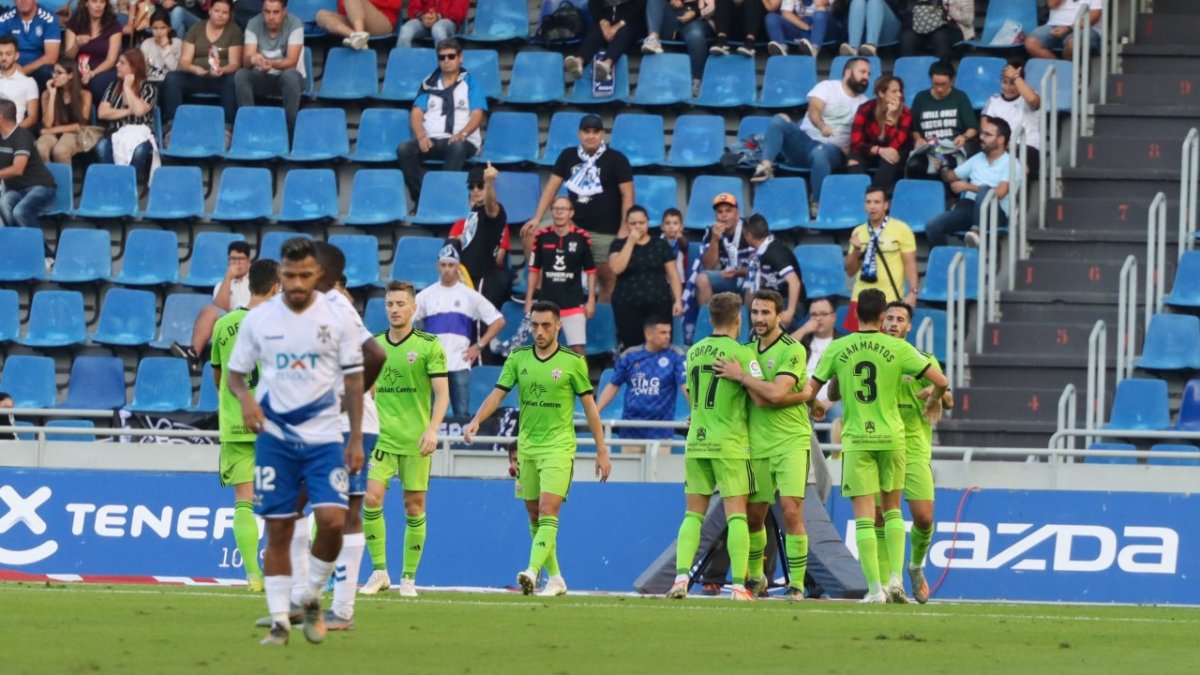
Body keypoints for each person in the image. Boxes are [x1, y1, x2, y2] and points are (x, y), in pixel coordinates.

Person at [226, 236, 366, 645]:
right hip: (277, 439)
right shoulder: (260, 319)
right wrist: (247, 399)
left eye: (306, 275)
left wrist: (355, 437)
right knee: (280, 527)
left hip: (324, 437)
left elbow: (356, 378)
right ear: (280, 275)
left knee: (333, 522)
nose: (298, 283)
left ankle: (310, 596)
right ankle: (279, 623)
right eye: (290, 276)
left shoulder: (338, 316)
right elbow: (235, 374)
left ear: (317, 274)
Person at [806, 288, 948, 603]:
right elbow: (942, 381)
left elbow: (813, 390)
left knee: (866, 517)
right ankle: (894, 579)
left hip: (858, 439)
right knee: (893, 511)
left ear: (855, 315)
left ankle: (875, 590)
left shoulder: (840, 347)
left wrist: (814, 405)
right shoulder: (899, 350)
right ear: (882, 317)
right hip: (893, 438)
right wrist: (936, 398)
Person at [465, 300, 612, 597]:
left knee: (548, 510)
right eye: (534, 325)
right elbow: (498, 394)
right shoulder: (518, 358)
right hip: (527, 448)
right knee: (534, 515)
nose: (539, 331)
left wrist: (601, 450)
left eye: (546, 325)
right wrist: (476, 420)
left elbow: (590, 408)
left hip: (558, 447)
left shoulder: (573, 362)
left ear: (558, 325)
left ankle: (532, 571)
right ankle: (555, 577)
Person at [710, 289, 813, 601]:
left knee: (791, 510)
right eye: (755, 312)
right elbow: (750, 399)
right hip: (755, 444)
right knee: (754, 515)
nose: (759, 318)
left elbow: (777, 395)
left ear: (779, 315)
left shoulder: (792, 349)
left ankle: (796, 584)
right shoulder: (745, 350)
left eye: (766, 313)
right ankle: (757, 578)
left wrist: (742, 376)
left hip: (791, 441)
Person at [357, 280, 450, 600]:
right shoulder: (374, 346)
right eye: (390, 304)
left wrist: (432, 429)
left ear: (413, 308)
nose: (395, 310)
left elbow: (442, 394)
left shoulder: (428, 345)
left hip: (415, 440)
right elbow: (365, 391)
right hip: (381, 439)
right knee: (370, 499)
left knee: (414, 507)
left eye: (400, 304)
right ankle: (380, 571)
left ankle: (408, 577)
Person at [666, 292, 760, 601]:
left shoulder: (693, 351)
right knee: (736, 516)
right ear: (738, 318)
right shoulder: (743, 354)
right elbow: (760, 397)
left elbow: (691, 395)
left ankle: (681, 579)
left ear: (709, 318)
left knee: (693, 515)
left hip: (697, 440)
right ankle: (738, 586)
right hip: (729, 442)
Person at [209, 258, 280, 595]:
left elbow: (219, 376)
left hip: (237, 423)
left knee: (244, 500)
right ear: (277, 287)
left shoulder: (224, 325)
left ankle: (253, 575)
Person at [877, 300, 953, 603]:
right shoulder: (873, 358)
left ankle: (915, 566)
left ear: (909, 327)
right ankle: (884, 585)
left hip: (914, 449)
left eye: (900, 319)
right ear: (882, 322)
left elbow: (949, 399)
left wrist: (936, 396)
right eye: (890, 318)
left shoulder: (922, 360)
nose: (894, 323)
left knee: (923, 517)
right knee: (879, 517)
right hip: (880, 446)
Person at [522, 114, 635, 302]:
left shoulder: (617, 159)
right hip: (571, 226)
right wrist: (536, 217)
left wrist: (624, 228)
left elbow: (628, 195)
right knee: (530, 233)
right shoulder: (568, 155)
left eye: (595, 131)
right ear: (579, 134)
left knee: (608, 278)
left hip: (605, 231)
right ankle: (542, 290)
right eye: (586, 131)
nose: (591, 136)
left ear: (602, 134)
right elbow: (551, 189)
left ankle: (601, 320)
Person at [751, 57, 871, 219]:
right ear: (848, 72)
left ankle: (817, 203)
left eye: (869, 74)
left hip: (833, 151)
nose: (866, 77)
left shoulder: (865, 104)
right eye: (862, 72)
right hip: (803, 144)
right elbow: (814, 109)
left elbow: (863, 136)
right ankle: (765, 167)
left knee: (820, 151)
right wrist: (821, 126)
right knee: (779, 119)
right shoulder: (827, 87)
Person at [414, 246, 507, 418]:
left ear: (458, 267)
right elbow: (407, 321)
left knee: (461, 414)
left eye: (451, 265)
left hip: (459, 362)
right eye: (444, 265)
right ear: (438, 266)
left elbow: (498, 321)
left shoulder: (469, 295)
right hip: (432, 363)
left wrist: (479, 346)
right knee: (428, 414)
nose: (447, 269)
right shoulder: (425, 296)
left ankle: (458, 446)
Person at [397, 38, 486, 204]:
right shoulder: (429, 83)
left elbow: (477, 114)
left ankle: (441, 200)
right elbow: (416, 113)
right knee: (404, 149)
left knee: (457, 146)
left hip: (460, 141)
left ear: (460, 58)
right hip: (432, 140)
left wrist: (462, 134)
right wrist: (422, 136)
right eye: (442, 57)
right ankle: (422, 199)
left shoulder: (471, 83)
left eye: (451, 56)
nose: (446, 61)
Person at [596, 316, 687, 452]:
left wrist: (697, 411)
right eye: (662, 333)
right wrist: (596, 411)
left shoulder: (675, 356)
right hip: (631, 432)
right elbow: (613, 386)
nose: (668, 336)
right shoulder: (630, 356)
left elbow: (686, 386)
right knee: (628, 473)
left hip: (661, 434)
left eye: (669, 332)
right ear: (649, 334)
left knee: (658, 473)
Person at [925, 116, 1017, 248]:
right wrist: (943, 166)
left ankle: (976, 232)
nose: (981, 137)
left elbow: (999, 193)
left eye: (987, 135)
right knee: (933, 226)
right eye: (982, 133)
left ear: (1001, 140)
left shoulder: (1011, 163)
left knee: (985, 190)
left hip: (996, 213)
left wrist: (968, 186)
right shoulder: (978, 157)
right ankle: (944, 260)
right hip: (968, 207)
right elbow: (950, 177)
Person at [524, 196, 597, 354]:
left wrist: (591, 300)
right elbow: (534, 270)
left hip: (573, 302)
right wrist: (529, 299)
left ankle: (581, 379)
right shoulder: (542, 236)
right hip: (547, 303)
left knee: (577, 348)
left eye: (563, 209)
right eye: (556, 209)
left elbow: (591, 271)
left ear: (571, 213)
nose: (559, 213)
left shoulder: (581, 237)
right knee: (544, 347)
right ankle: (544, 379)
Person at [843, 185, 918, 331]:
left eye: (877, 202)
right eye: (868, 202)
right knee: (859, 349)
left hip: (888, 301)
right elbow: (850, 271)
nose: (872, 207)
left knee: (886, 350)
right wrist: (856, 250)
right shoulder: (858, 231)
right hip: (860, 300)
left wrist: (913, 292)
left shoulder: (901, 229)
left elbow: (910, 264)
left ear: (885, 205)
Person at [610, 205, 684, 349]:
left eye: (641, 223)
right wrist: (630, 242)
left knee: (661, 345)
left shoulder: (660, 244)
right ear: (627, 224)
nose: (638, 226)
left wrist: (678, 301)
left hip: (658, 302)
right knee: (633, 347)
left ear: (648, 223)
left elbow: (674, 275)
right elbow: (616, 268)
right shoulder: (618, 244)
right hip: (627, 304)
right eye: (633, 223)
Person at [161, 0, 243, 130]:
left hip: (221, 77)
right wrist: (194, 69)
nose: (220, 15)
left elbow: (235, 64)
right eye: (217, 11)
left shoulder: (234, 31)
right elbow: (184, 61)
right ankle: (172, 127)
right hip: (197, 76)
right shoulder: (196, 29)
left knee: (233, 80)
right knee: (172, 78)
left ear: (229, 15)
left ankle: (227, 129)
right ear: (210, 10)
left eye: (224, 12)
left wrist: (221, 70)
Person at [173, 240, 252, 370]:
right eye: (233, 259)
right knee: (209, 311)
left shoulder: (256, 280)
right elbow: (220, 308)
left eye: (241, 259)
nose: (236, 263)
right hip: (229, 326)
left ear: (249, 261)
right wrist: (228, 278)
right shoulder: (221, 285)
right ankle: (193, 354)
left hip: (250, 322)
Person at [447, 164, 512, 309]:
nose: (476, 190)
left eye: (480, 185)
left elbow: (491, 206)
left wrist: (489, 182)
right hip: (466, 276)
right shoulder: (474, 212)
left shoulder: (495, 210)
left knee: (479, 324)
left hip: (484, 277)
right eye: (471, 187)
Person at [0, 98, 56, 265]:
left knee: (20, 212)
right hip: (16, 191)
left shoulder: (22, 136)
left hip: (41, 187)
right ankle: (22, 249)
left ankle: (46, 256)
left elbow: (18, 168)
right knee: (4, 203)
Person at [235, 0, 305, 134]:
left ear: (284, 11)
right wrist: (253, 59)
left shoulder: (295, 24)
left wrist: (269, 63)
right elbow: (246, 61)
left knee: (289, 76)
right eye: (267, 11)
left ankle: (290, 131)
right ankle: (248, 127)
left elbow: (291, 62)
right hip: (263, 76)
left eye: (275, 12)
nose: (271, 17)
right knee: (242, 75)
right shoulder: (253, 23)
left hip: (289, 78)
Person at [94, 49, 159, 185]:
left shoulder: (149, 89)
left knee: (139, 151)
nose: (117, 65)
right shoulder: (112, 87)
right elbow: (102, 113)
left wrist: (127, 88)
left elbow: (140, 111)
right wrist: (129, 111)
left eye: (122, 63)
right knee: (101, 146)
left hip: (140, 136)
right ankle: (112, 183)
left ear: (134, 67)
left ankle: (128, 185)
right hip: (114, 133)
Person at [908, 59, 978, 176]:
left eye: (943, 84)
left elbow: (973, 128)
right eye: (936, 84)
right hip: (929, 147)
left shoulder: (960, 97)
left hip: (952, 146)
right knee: (915, 164)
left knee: (944, 164)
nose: (939, 89)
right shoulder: (921, 98)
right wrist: (918, 139)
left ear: (952, 81)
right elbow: (914, 128)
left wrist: (964, 137)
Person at [848, 74, 911, 194]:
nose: (899, 95)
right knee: (853, 161)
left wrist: (890, 120)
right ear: (881, 93)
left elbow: (893, 145)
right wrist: (878, 150)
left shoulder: (905, 113)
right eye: (894, 91)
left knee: (891, 158)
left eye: (900, 91)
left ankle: (875, 197)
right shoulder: (865, 109)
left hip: (894, 151)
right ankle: (859, 198)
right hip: (869, 150)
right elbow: (856, 142)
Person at [641, 0, 715, 98]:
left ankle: (697, 81)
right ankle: (653, 38)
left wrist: (694, 12)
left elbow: (714, 6)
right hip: (671, 16)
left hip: (697, 19)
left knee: (695, 35)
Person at [741, 213, 803, 329]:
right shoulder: (756, 256)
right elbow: (751, 291)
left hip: (787, 302)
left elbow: (794, 282)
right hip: (767, 303)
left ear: (748, 235)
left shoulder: (775, 252)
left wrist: (789, 312)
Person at [982, 57, 1041, 179]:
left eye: (1012, 83)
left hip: (1027, 147)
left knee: (1014, 166)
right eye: (1004, 82)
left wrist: (1015, 76)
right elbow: (984, 128)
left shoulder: (1029, 95)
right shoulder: (993, 101)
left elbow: (1032, 100)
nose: (1008, 87)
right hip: (1000, 147)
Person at [694, 192, 755, 307]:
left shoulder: (750, 228)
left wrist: (738, 272)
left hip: (747, 276)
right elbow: (709, 266)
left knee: (755, 281)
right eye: (720, 212)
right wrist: (714, 240)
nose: (724, 215)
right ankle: (709, 322)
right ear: (715, 216)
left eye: (728, 211)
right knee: (702, 279)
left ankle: (749, 323)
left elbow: (760, 266)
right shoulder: (711, 231)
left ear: (737, 214)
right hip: (727, 278)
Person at [565, 0, 646, 82]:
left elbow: (639, 8)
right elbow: (593, 6)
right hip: (607, 21)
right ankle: (579, 62)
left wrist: (617, 26)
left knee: (624, 32)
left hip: (632, 23)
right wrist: (603, 23)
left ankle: (607, 64)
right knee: (595, 32)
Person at [64, 0, 122, 101]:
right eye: (94, 1)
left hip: (104, 71)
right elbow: (68, 57)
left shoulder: (114, 25)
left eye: (102, 2)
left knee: (96, 83)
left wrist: (92, 73)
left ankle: (101, 114)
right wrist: (76, 45)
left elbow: (111, 60)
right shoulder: (75, 23)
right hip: (79, 70)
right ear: (86, 3)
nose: (99, 6)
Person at [36, 60, 92, 164]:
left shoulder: (84, 95)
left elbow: (80, 125)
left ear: (70, 75)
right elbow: (47, 124)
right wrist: (52, 94)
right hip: (51, 132)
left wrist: (52, 131)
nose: (54, 76)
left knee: (60, 151)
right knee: (41, 148)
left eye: (59, 73)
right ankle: (46, 178)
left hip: (73, 133)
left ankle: (63, 180)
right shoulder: (46, 94)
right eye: (53, 72)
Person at [0, 0, 62, 90]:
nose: (23, 1)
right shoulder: (4, 19)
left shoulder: (49, 19)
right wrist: (13, 67)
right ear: (14, 1)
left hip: (38, 67)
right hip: (11, 64)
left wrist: (23, 71)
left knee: (46, 73)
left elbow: (51, 57)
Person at [899, 0, 974, 63]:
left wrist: (948, 10)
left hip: (953, 28)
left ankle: (942, 71)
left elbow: (968, 19)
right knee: (907, 37)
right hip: (924, 25)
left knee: (940, 36)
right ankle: (908, 72)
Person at [1025, 0, 1101, 61]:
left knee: (1073, 43)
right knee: (1031, 42)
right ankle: (1060, 68)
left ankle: (1069, 71)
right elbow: (1052, 4)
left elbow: (1094, 16)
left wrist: (1069, 28)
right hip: (1054, 26)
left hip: (1083, 28)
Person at [315, 0, 399, 50]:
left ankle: (359, 35)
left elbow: (395, 4)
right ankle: (355, 36)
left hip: (381, 22)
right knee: (321, 15)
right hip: (355, 20)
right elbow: (342, 7)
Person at [765, 0, 830, 57]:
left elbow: (820, 3)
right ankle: (781, 47)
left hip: (825, 28)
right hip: (803, 26)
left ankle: (814, 49)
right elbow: (786, 13)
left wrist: (814, 27)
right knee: (771, 18)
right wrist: (807, 27)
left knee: (820, 15)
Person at [0, 36, 39, 129]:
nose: (3, 58)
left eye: (8, 54)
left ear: (16, 55)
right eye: (0, 54)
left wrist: (12, 132)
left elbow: (33, 117)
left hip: (13, 132)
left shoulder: (28, 82)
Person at [397, 0, 469, 48]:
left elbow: (458, 13)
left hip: (448, 22)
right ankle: (403, 67)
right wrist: (422, 16)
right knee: (406, 30)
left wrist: (439, 17)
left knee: (438, 29)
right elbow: (413, 7)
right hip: (424, 20)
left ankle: (444, 66)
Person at [141, 10, 183, 85]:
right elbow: (142, 71)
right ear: (150, 28)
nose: (159, 32)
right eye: (155, 28)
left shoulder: (177, 43)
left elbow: (175, 69)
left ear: (169, 28)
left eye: (163, 28)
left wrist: (166, 48)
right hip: (150, 81)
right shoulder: (146, 43)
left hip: (169, 83)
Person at [660, 206, 689, 280]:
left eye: (675, 223)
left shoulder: (681, 240)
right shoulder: (659, 241)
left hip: (679, 278)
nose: (671, 226)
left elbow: (685, 245)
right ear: (662, 227)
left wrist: (681, 237)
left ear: (681, 227)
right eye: (667, 223)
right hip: (662, 278)